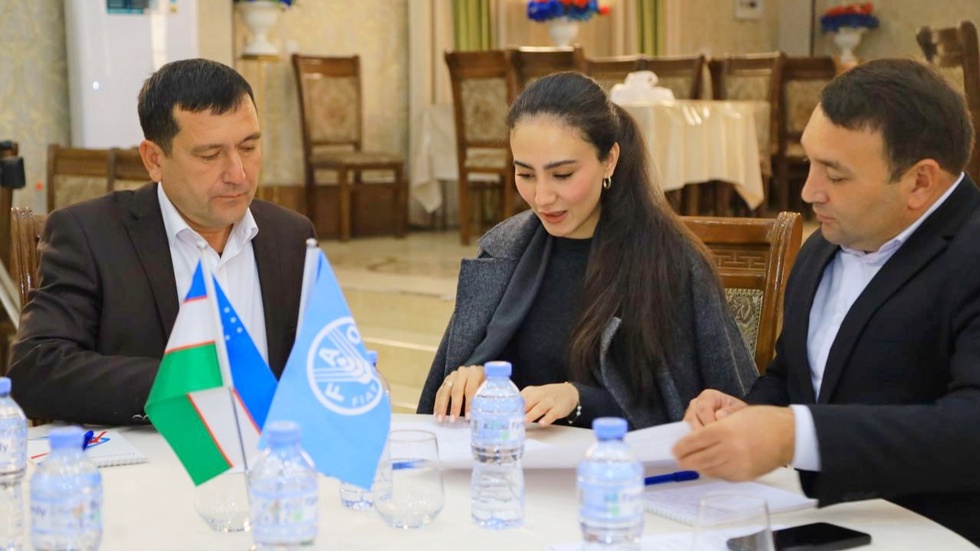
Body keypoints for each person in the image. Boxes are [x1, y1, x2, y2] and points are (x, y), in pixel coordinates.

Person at [673, 58, 980, 545]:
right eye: (809, 163)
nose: (808, 191)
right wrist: (746, 414)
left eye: (834, 175)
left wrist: (794, 434)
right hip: (816, 522)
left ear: (920, 181)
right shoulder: (824, 247)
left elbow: (971, 429)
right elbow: (792, 375)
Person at [417, 72, 757, 429]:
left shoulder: (667, 262)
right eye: (526, 175)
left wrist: (580, 399)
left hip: (618, 461)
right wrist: (473, 377)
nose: (542, 197)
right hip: (513, 454)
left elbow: (689, 408)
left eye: (562, 175)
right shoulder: (505, 250)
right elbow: (459, 384)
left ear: (609, 160)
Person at [8, 59, 315, 426]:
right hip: (154, 454)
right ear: (154, 159)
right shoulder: (90, 236)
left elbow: (316, 363)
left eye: (248, 147)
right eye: (210, 155)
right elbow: (35, 369)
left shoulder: (291, 235)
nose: (238, 174)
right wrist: (182, 385)